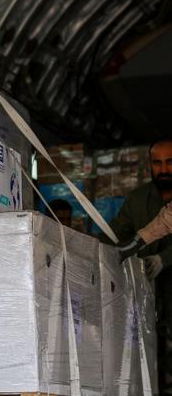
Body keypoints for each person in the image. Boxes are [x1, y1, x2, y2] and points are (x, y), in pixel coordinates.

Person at [109, 137, 172, 394]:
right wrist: (130, 244)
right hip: (145, 292)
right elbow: (165, 220)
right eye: (158, 163)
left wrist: (163, 259)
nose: (164, 169)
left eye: (170, 162)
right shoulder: (138, 199)